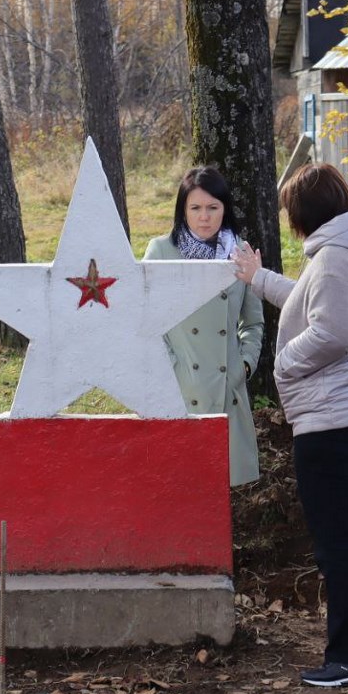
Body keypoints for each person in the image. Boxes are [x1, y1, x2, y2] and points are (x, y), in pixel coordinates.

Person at [233, 163, 348, 688]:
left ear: (303, 214)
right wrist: (257, 279)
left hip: (337, 418)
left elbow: (332, 333)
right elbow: (311, 302)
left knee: (340, 541)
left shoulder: (332, 257)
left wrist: (282, 363)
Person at [144, 167, 263, 487]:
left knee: (221, 492)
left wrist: (245, 365)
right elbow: (145, 323)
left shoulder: (241, 254)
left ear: (225, 209)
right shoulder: (160, 252)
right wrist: (171, 368)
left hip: (228, 389)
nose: (205, 217)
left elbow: (252, 321)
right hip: (180, 388)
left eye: (213, 208)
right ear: (182, 211)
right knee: (181, 488)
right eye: (195, 208)